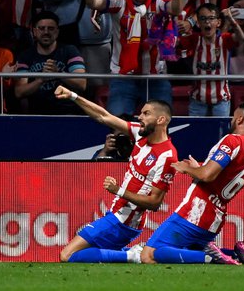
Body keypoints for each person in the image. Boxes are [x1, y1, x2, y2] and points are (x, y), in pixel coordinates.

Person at [55, 84, 178, 264]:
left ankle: (133, 255)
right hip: (117, 215)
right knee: (87, 254)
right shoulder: (139, 134)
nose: (139, 116)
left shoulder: (167, 156)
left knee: (67, 256)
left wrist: (118, 190)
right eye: (141, 113)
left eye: (146, 114)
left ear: (161, 120)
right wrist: (73, 96)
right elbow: (104, 116)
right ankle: (132, 253)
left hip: (124, 220)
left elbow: (154, 203)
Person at [139, 100, 244, 265]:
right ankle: (234, 254)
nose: (232, 120)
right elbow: (222, 178)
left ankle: (214, 257)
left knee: (148, 255)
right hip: (214, 218)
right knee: (183, 253)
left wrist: (187, 168)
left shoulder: (233, 141)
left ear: (240, 119)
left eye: (234, 117)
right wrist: (198, 167)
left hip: (195, 211)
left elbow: (208, 176)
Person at [83, 0, 184, 116]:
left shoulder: (159, 1)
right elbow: (93, 3)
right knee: (118, 125)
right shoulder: (119, 1)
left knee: (160, 124)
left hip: (155, 75)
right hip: (123, 77)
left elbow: (176, 9)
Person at [14, 11, 86, 115]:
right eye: (41, 28)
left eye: (51, 28)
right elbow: (19, 92)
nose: (46, 32)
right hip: (37, 113)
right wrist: (40, 79)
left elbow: (82, 84)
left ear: (57, 31)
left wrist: (58, 74)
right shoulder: (25, 56)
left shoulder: (70, 51)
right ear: (34, 31)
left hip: (68, 112)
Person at [179, 3, 243, 117]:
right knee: (195, 133)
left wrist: (231, 20)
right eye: (203, 19)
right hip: (197, 99)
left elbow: (241, 38)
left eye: (211, 18)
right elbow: (176, 42)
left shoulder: (225, 39)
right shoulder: (194, 39)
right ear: (198, 23)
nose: (207, 22)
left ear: (218, 22)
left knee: (220, 133)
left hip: (221, 100)